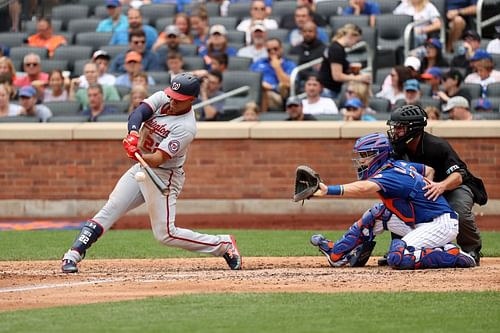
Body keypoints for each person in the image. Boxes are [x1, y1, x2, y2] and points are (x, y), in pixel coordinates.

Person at [61, 73, 242, 273]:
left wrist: (136, 153)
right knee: (110, 208)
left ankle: (223, 244)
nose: (172, 101)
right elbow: (138, 114)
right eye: (172, 95)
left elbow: (158, 159)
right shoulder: (163, 98)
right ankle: (73, 254)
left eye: (178, 99)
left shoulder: (186, 127)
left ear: (191, 100)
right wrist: (133, 134)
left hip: (164, 175)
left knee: (165, 234)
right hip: (141, 169)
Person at [309, 132, 476, 269]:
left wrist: (327, 190)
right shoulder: (399, 165)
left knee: (397, 257)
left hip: (441, 225)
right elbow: (429, 170)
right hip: (421, 221)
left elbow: (363, 188)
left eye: (365, 156)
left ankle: (452, 254)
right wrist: (429, 185)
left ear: (379, 155)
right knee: (378, 213)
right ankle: (337, 253)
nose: (361, 161)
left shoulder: (391, 174)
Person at [386, 104, 487, 264]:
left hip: (453, 186)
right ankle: (400, 248)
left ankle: (471, 249)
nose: (395, 131)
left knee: (457, 210)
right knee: (399, 205)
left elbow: (459, 174)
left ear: (413, 129)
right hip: (424, 190)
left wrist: (440, 186)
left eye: (400, 127)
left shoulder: (437, 146)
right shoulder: (396, 149)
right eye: (395, 127)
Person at [318, 24, 371, 99]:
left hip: (329, 89)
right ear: (351, 36)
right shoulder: (336, 49)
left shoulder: (337, 47)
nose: (355, 44)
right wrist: (359, 78)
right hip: (328, 90)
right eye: (357, 40)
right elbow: (337, 76)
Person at [250, 38, 296, 112]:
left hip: (277, 95)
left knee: (265, 94)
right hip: (257, 93)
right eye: (269, 50)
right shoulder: (258, 63)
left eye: (275, 49)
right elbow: (250, 80)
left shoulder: (289, 64)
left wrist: (277, 67)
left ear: (281, 49)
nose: (272, 52)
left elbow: (288, 84)